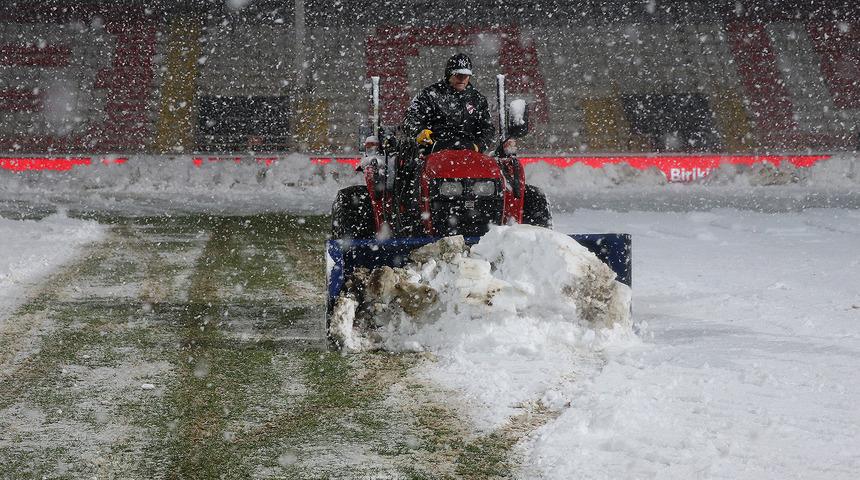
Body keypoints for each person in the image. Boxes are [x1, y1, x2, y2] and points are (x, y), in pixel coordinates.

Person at [402, 53, 496, 153]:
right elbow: (410, 119)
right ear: (448, 74)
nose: (462, 79)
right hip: (434, 153)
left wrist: (477, 146)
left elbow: (488, 129)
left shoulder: (478, 99)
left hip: (469, 155)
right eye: (458, 75)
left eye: (466, 75)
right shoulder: (429, 95)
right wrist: (420, 132)